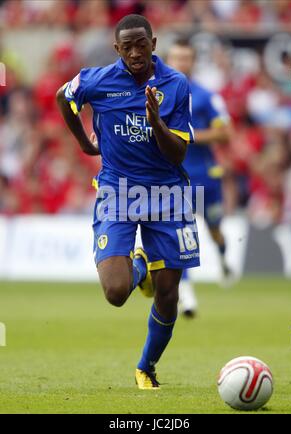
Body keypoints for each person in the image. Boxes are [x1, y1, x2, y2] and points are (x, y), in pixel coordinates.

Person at [56, 15, 200, 390]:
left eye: (142, 44)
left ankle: (146, 367)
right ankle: (139, 267)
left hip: (168, 194)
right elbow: (63, 97)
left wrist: (157, 123)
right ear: (117, 48)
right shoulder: (97, 80)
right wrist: (85, 143)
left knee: (168, 293)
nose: (136, 53)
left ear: (154, 43)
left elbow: (178, 154)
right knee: (116, 293)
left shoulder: (175, 84)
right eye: (127, 46)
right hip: (117, 193)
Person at [167, 39, 233, 317]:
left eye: (186, 58)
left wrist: (190, 136)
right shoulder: (157, 94)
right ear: (168, 61)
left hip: (206, 177)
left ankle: (222, 258)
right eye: (176, 58)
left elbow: (225, 133)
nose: (181, 63)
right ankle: (187, 295)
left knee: (214, 228)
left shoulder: (206, 96)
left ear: (193, 62)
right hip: (174, 178)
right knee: (181, 235)